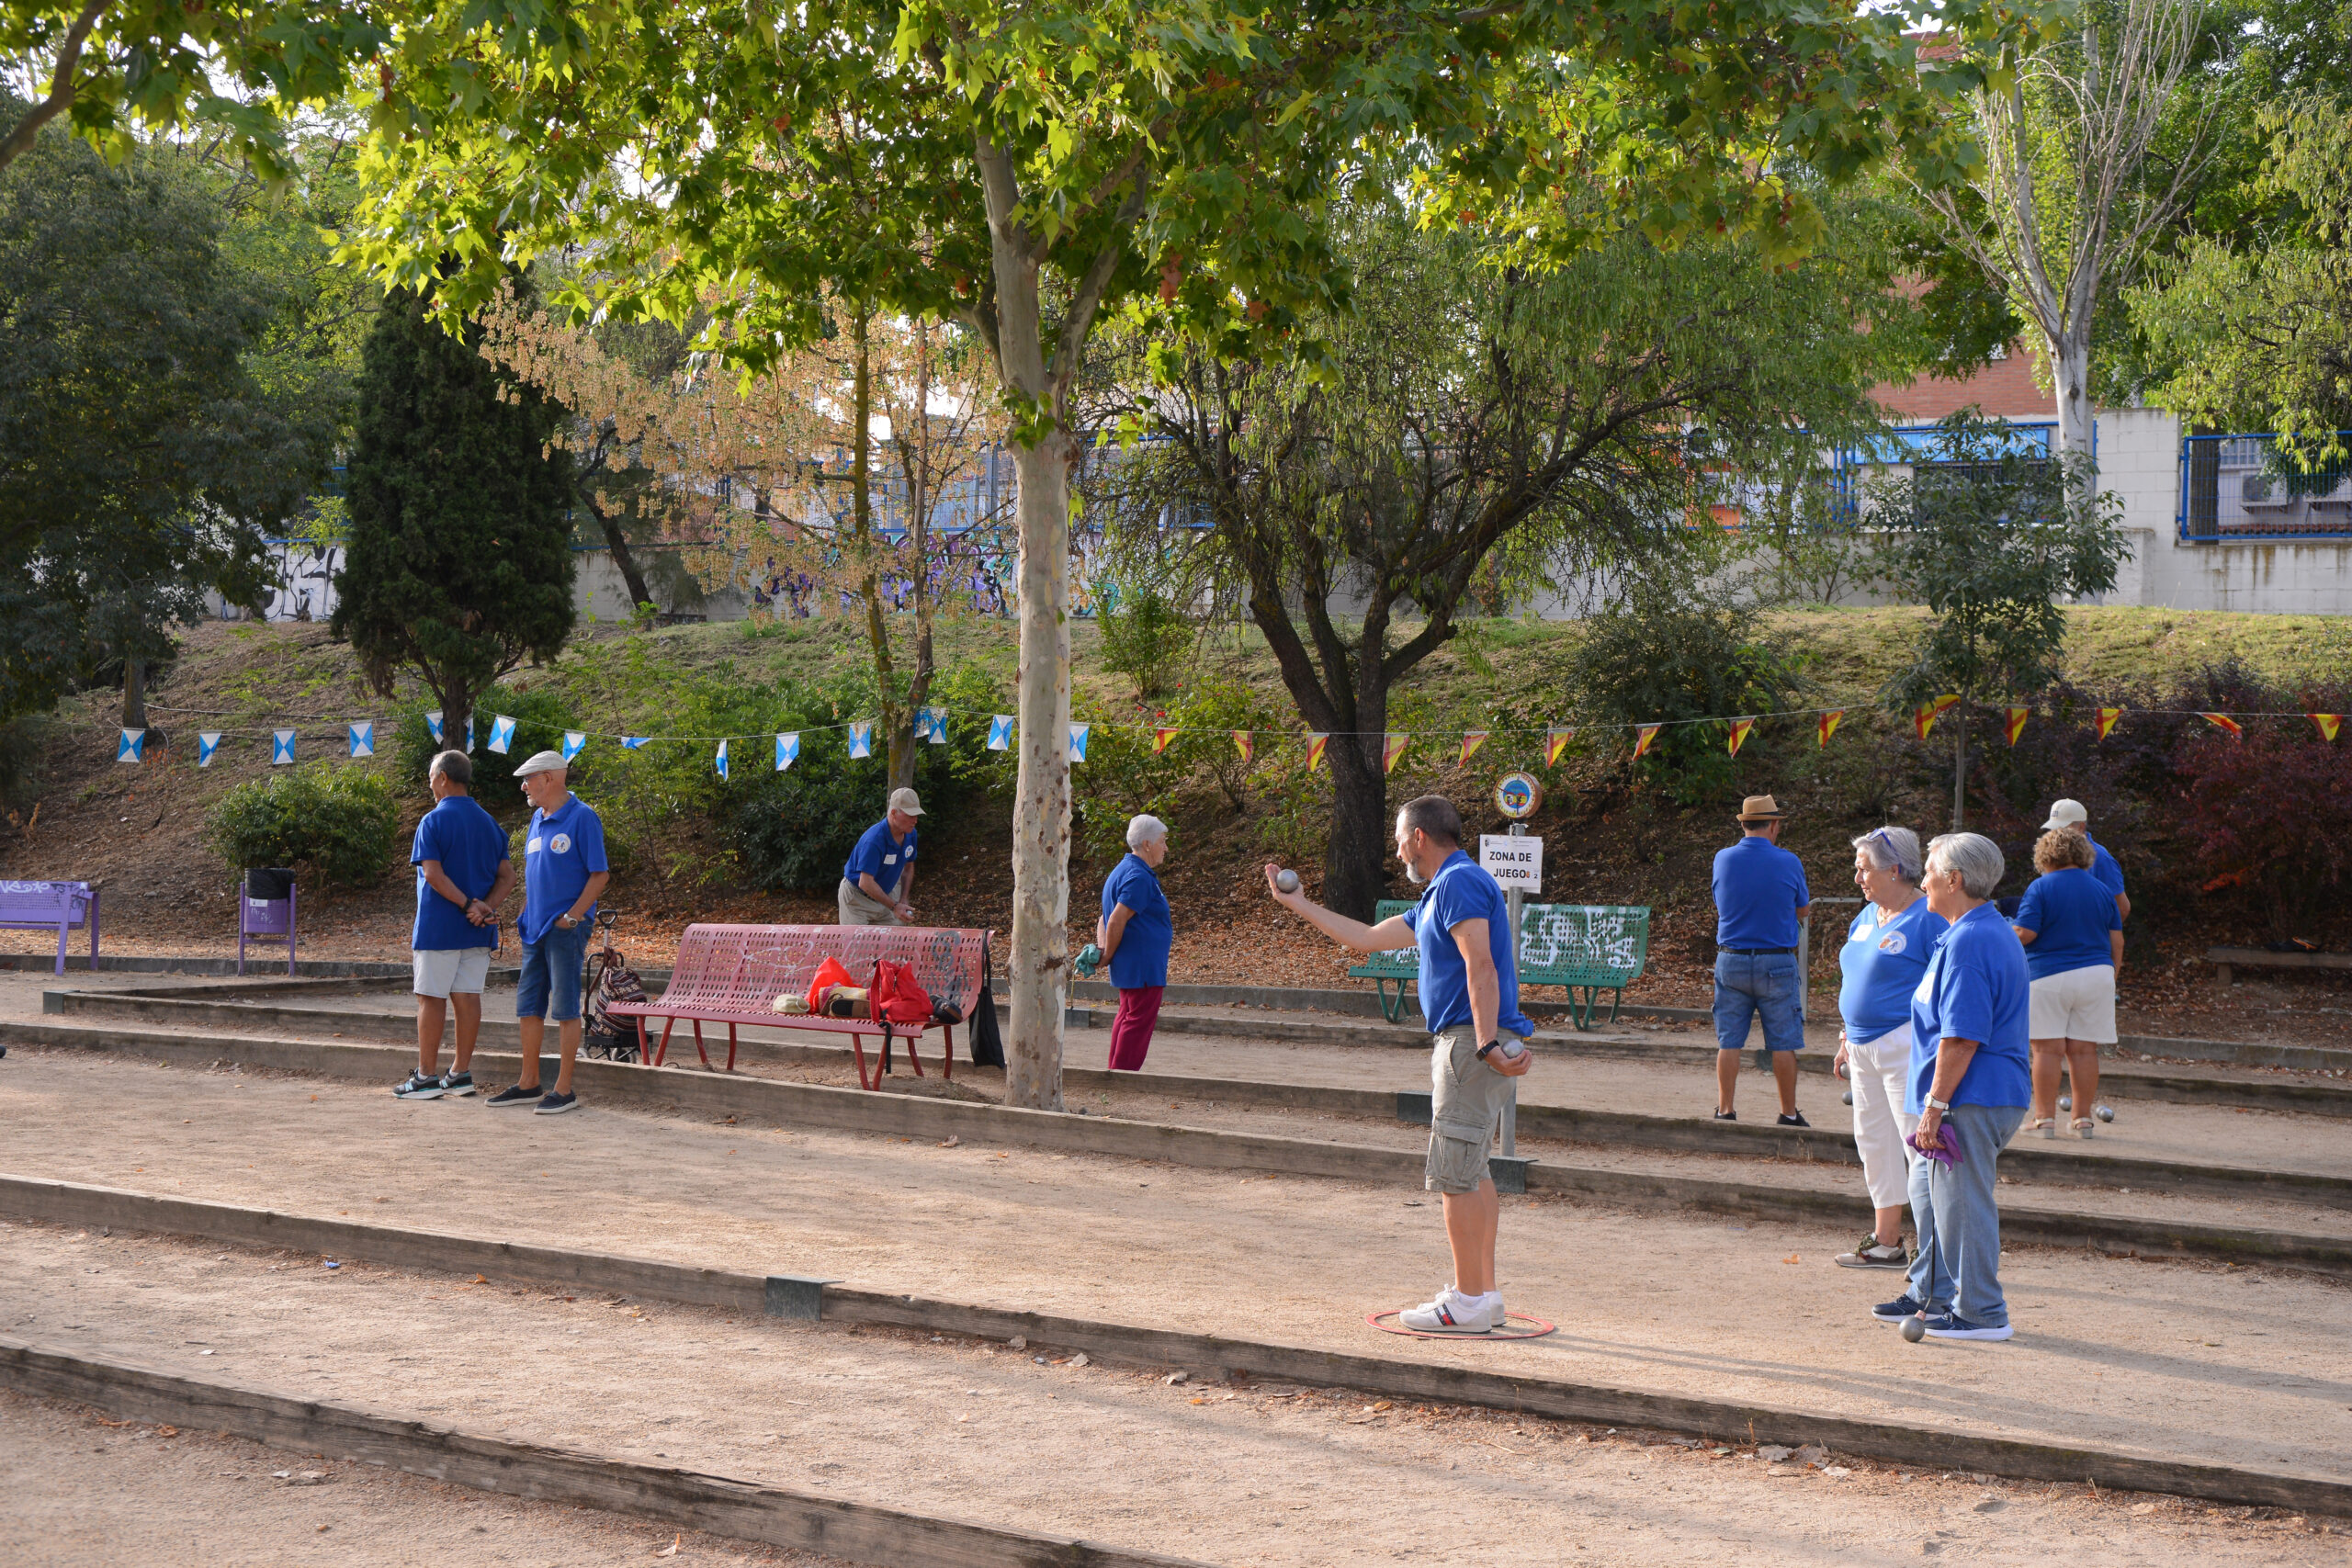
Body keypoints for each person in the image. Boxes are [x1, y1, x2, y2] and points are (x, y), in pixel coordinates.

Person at [1266, 795, 1535, 1335]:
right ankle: (1484, 1296)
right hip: (1473, 1039)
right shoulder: (1441, 892)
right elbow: (1365, 940)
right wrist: (1297, 903)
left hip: (1468, 1041)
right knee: (1474, 1169)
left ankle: (1466, 1302)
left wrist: (1486, 1044)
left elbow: (1480, 965)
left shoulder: (1458, 882)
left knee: (1455, 1175)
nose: (1396, 852)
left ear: (1419, 837)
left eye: (1398, 841)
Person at [1874, 831, 2031, 1342]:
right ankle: (1933, 1294)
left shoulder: (1972, 940)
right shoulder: (1965, 932)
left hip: (1973, 1095)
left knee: (1962, 1204)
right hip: (1967, 1094)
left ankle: (1982, 1311)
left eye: (1929, 873)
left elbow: (1962, 1037)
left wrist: (1934, 1107)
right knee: (1929, 1195)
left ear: (1954, 880)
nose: (1922, 881)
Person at [1831, 826, 1946, 1269]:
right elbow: (1853, 978)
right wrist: (1845, 1035)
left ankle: (1935, 1252)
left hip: (1906, 1044)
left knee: (1918, 1145)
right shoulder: (1866, 916)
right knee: (1874, 1142)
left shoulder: (1929, 917)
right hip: (1861, 1045)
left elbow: (1945, 987)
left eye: (1864, 869)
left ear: (1895, 870)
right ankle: (1887, 1241)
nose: (1857, 877)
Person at [487, 751, 610, 1114]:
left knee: (565, 1008)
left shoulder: (583, 817)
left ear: (550, 778)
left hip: (565, 929)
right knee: (528, 1007)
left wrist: (573, 917)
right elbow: (536, 871)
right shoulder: (537, 818)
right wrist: (526, 910)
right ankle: (529, 1083)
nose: (524, 786)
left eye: (529, 779)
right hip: (534, 929)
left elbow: (600, 874)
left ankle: (564, 1089)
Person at [395, 750, 514, 1100]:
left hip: (439, 927)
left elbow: (432, 874)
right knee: (468, 997)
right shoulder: (490, 823)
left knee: (430, 998)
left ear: (443, 778)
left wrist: (466, 905)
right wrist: (485, 908)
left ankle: (425, 1077)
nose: (430, 785)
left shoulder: (432, 821)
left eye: (431, 778)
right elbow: (508, 876)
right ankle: (460, 1074)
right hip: (478, 929)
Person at [2013, 827, 2123, 1138]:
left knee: (2046, 1051)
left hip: (2049, 974)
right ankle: (2082, 1120)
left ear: (2045, 854)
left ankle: (2044, 1120)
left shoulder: (2040, 887)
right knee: (2084, 1050)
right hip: (2097, 974)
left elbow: (2026, 933)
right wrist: (2111, 976)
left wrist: (2004, 932)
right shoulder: (2102, 890)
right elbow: (2117, 940)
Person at [1711, 794, 1812, 1125]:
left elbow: (1720, 901)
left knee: (1729, 1041)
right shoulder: (1789, 861)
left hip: (1731, 960)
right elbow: (1803, 909)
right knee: (1783, 1042)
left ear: (1743, 825)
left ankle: (1725, 1110)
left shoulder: (1723, 859)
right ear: (1774, 826)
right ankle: (1788, 1113)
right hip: (1777, 962)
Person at [1097, 815, 1173, 1072]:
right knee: (1137, 1022)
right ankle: (1122, 1078)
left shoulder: (1124, 870)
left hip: (1135, 964)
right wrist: (1107, 954)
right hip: (1142, 966)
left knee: (1127, 1016)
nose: (1166, 848)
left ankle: (1114, 1074)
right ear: (1147, 844)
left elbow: (1103, 919)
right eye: (1162, 841)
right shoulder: (1138, 876)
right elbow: (1115, 918)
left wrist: (1105, 950)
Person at [839, 787, 922, 926]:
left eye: (917, 815)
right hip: (857, 899)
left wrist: (903, 898)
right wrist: (894, 907)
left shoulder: (911, 834)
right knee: (855, 940)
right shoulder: (874, 840)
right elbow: (865, 882)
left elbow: (908, 868)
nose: (915, 820)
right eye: (910, 815)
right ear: (894, 813)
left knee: (894, 938)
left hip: (886, 896)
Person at [2041, 798, 2130, 924]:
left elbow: (2122, 908)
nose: (2056, 833)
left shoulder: (2101, 858)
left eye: (2063, 827)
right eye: (2054, 828)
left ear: (2081, 827)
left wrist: (2098, 933)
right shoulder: (2052, 854)